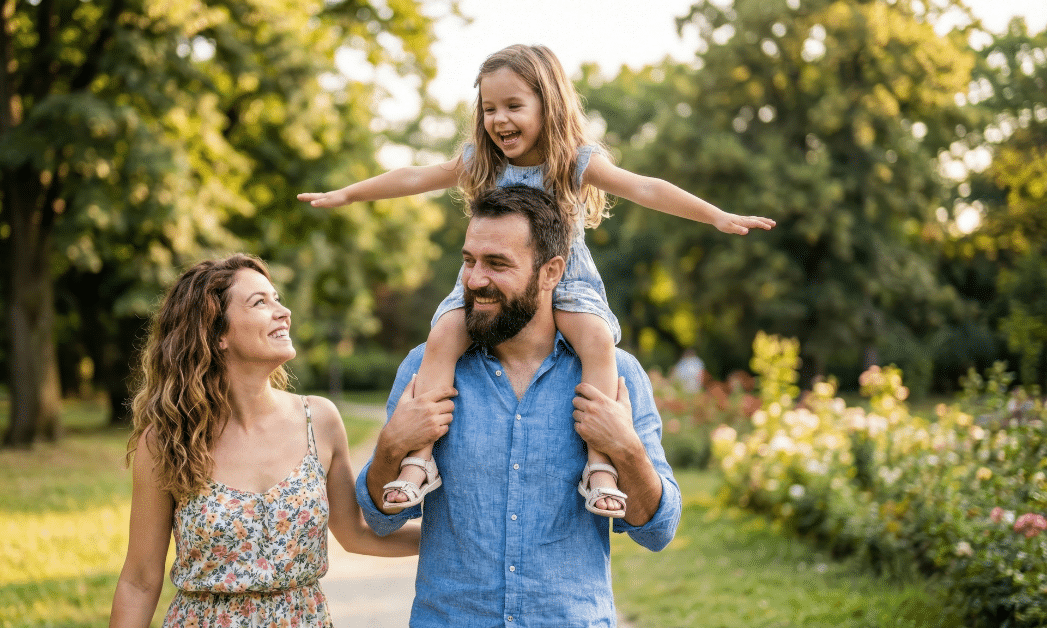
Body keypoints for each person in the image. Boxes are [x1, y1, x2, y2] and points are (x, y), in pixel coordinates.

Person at [299, 43, 772, 518]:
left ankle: (600, 466)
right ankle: (419, 460)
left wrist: (715, 216)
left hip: (565, 277)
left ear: (549, 105)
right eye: (489, 108)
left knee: (597, 341)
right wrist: (348, 194)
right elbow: (413, 176)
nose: (499, 119)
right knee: (443, 335)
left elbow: (644, 186)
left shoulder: (574, 162)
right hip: (498, 279)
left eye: (513, 106)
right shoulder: (482, 163)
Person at [355, 185, 682, 626]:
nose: (474, 280)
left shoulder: (615, 374)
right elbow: (382, 518)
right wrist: (392, 446)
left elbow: (657, 530)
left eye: (497, 264)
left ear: (551, 272)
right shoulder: (428, 367)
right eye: (469, 260)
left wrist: (625, 448)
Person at [109, 254, 420, 628]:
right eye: (260, 302)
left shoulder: (319, 421)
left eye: (277, 298)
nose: (283, 311)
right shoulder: (168, 441)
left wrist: (456, 539)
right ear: (217, 333)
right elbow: (140, 582)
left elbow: (356, 534)